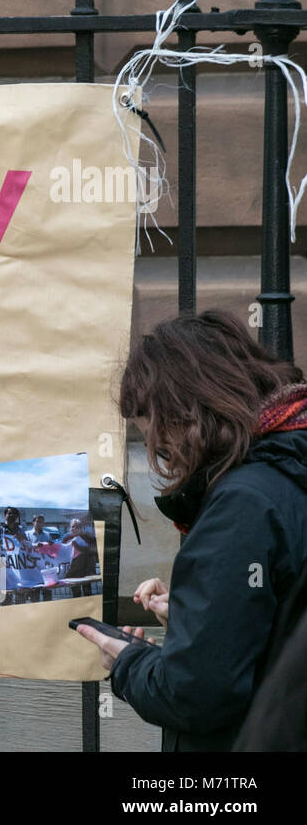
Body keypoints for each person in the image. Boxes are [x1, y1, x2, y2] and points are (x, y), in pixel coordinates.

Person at [75, 310, 307, 751]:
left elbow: (196, 693)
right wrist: (199, 620)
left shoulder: (244, 502)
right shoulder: (289, 471)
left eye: (157, 439)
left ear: (184, 414)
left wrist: (127, 662)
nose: (163, 457)